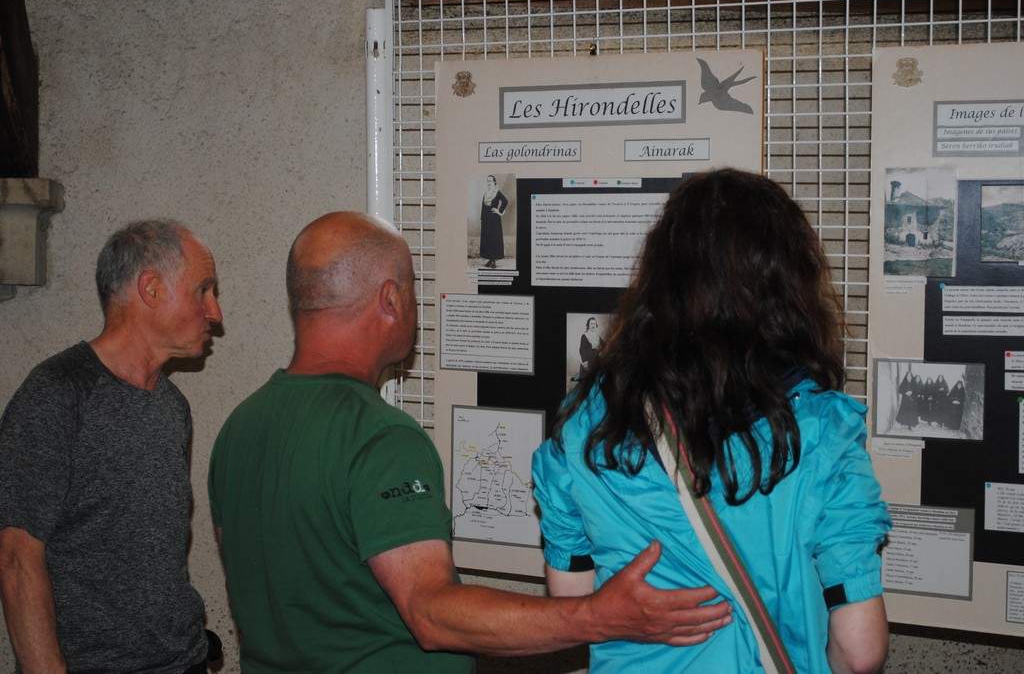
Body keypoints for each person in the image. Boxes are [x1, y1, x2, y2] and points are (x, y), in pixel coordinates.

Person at [208, 211, 732, 672]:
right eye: (412, 289)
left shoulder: (240, 427)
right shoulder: (380, 437)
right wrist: (598, 616)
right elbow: (431, 614)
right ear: (390, 299)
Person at [532, 169, 891, 673]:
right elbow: (859, 651)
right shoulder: (821, 430)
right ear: (790, 282)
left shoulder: (589, 424)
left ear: (661, 280)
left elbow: (572, 600)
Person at [0, 220, 222, 673]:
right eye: (203, 290)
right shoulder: (57, 394)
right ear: (151, 288)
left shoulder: (172, 405)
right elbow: (17, 558)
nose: (215, 312)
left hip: (183, 661)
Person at [478, 174, 508, 268]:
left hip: (494, 219)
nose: (489, 182)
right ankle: (490, 260)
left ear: (494, 182)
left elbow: (505, 201)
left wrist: (499, 211)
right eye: (487, 181)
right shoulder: (486, 193)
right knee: (487, 239)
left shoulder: (497, 192)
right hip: (486, 219)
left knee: (494, 239)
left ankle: (493, 261)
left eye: (490, 180)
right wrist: (482, 219)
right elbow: (483, 207)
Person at [572, 316, 604, 382]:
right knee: (588, 381)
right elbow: (582, 350)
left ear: (596, 325)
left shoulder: (598, 336)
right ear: (588, 325)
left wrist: (601, 351)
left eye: (594, 324)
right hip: (588, 361)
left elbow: (605, 346)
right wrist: (585, 362)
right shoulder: (584, 336)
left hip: (597, 360)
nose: (593, 325)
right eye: (591, 324)